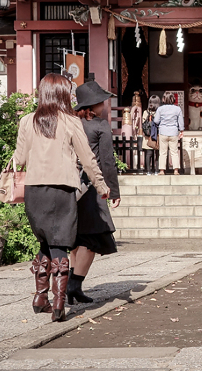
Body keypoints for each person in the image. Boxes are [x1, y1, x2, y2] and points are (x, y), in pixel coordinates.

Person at [14, 74, 110, 322]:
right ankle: (58, 304)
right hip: (62, 190)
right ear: (62, 94)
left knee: (46, 242)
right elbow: (88, 158)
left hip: (34, 191)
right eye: (69, 91)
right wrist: (100, 185)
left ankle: (40, 297)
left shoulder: (27, 121)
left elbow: (20, 159)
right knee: (59, 245)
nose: (72, 96)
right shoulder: (70, 122)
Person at [70, 80, 121, 304]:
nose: (104, 104)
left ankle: (71, 287)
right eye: (102, 101)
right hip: (91, 187)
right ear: (95, 104)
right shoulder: (100, 126)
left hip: (68, 186)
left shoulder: (69, 123)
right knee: (92, 239)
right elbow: (107, 161)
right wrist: (114, 191)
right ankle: (73, 284)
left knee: (75, 238)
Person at [153, 92, 184, 175]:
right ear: (173, 99)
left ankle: (162, 170)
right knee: (174, 152)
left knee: (162, 152)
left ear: (163, 99)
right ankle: (176, 170)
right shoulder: (177, 109)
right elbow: (181, 122)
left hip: (163, 132)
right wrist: (181, 131)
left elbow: (156, 121)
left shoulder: (160, 109)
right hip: (173, 132)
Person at [141, 95, 161, 174]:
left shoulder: (145, 112)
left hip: (147, 137)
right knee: (158, 154)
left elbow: (143, 124)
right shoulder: (158, 112)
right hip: (156, 136)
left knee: (148, 154)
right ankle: (157, 170)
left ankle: (148, 171)